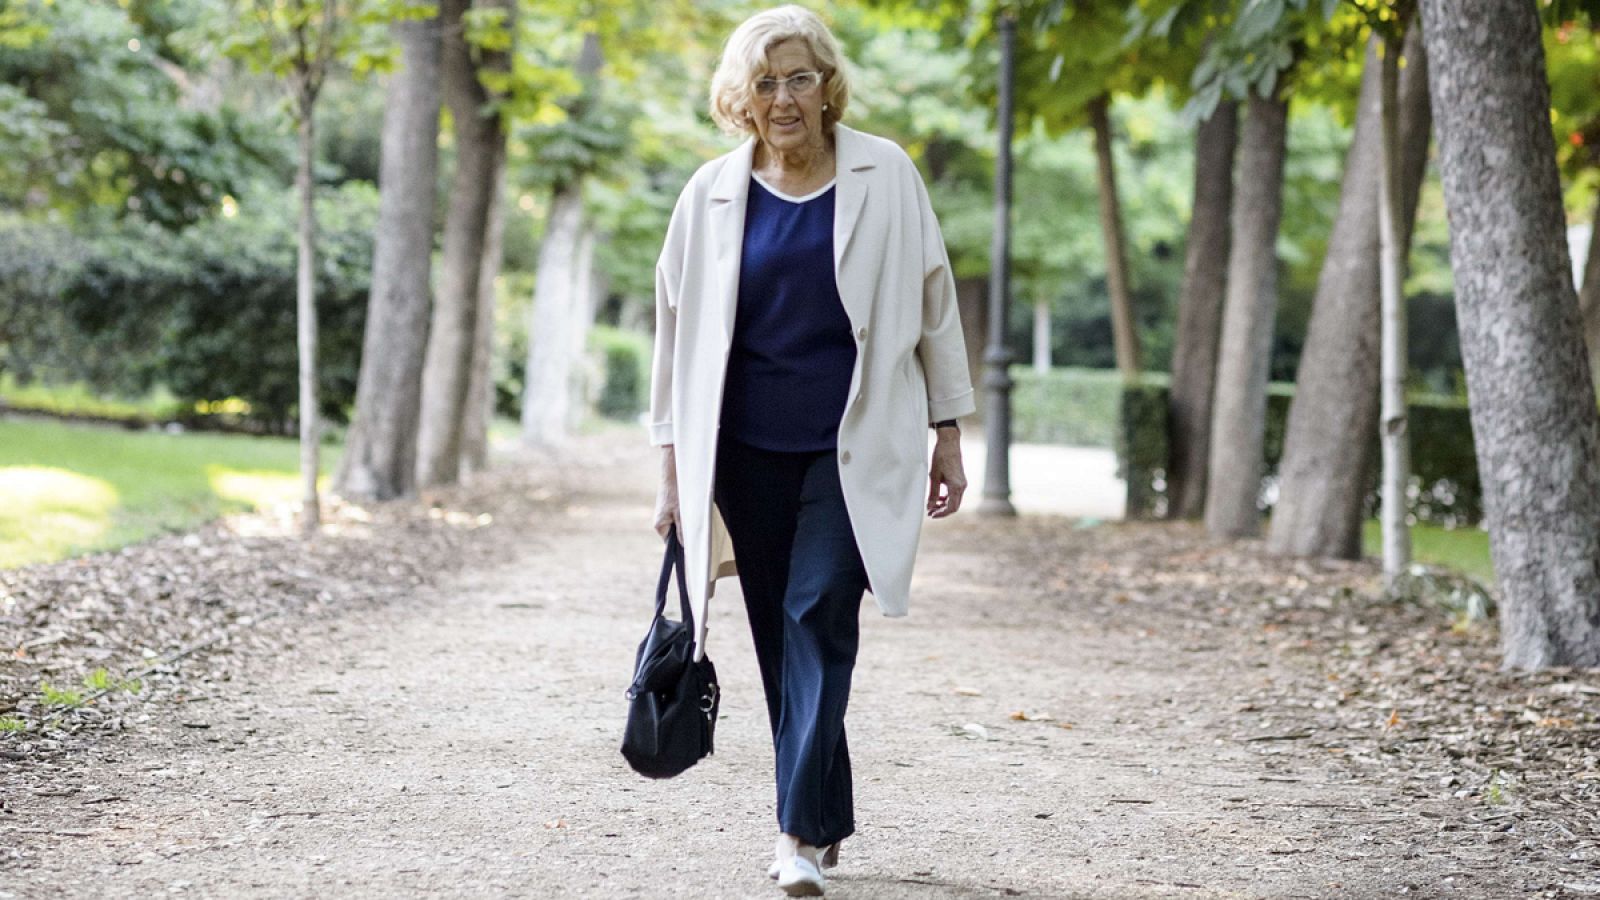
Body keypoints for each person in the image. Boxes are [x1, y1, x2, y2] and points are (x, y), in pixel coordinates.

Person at [648, 5, 974, 896]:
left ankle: (793, 834)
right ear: (738, 100)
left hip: (855, 447)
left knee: (821, 611)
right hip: (745, 450)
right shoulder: (710, 194)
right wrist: (674, 470)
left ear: (827, 85)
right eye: (764, 82)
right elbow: (673, 340)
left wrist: (949, 430)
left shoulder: (887, 174)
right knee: (774, 638)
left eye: (798, 77)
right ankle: (825, 817)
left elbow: (933, 301)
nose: (783, 98)